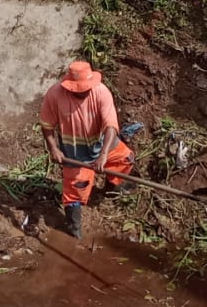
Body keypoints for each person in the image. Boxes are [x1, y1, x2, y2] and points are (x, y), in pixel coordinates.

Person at [40, 60, 136, 239]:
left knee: (126, 158)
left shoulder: (101, 92)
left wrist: (104, 154)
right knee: (76, 190)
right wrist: (53, 148)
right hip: (75, 152)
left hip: (102, 144)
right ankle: (74, 228)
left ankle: (112, 186)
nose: (82, 93)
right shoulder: (55, 95)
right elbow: (46, 124)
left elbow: (110, 126)